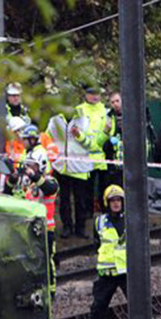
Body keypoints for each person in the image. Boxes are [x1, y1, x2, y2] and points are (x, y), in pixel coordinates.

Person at [10, 133, 58, 298]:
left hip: (46, 228)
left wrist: (34, 176)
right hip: (26, 225)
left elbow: (49, 190)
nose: (30, 169)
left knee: (46, 258)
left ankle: (51, 291)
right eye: (29, 165)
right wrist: (14, 178)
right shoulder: (27, 182)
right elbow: (15, 194)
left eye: (34, 166)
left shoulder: (50, 181)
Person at [86, 185, 126, 319]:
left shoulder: (130, 219)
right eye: (112, 201)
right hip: (107, 273)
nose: (116, 203)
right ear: (107, 203)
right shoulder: (99, 222)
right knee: (99, 305)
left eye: (118, 200)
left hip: (126, 272)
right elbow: (98, 244)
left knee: (138, 306)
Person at [67, 84, 107, 237]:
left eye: (97, 93)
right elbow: (76, 135)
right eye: (91, 94)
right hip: (83, 158)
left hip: (100, 158)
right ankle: (84, 224)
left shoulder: (104, 110)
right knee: (83, 195)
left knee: (103, 191)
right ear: (85, 94)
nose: (95, 97)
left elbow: (106, 133)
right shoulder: (79, 110)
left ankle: (103, 221)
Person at [101, 91, 124, 193]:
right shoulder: (108, 117)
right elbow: (100, 142)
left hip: (130, 162)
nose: (115, 104)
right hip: (113, 163)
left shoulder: (132, 115)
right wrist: (106, 132)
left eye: (117, 101)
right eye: (112, 102)